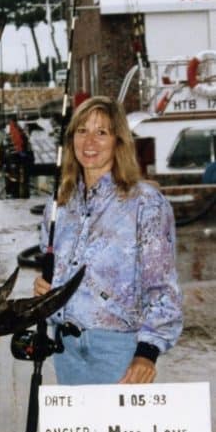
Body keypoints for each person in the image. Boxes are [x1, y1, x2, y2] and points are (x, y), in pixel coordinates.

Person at [33, 96, 182, 385]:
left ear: (118, 141)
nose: (90, 142)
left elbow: (164, 291)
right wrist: (45, 294)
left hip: (118, 352)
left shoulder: (146, 204)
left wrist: (147, 353)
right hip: (66, 350)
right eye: (81, 130)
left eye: (102, 132)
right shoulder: (59, 204)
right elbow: (55, 275)